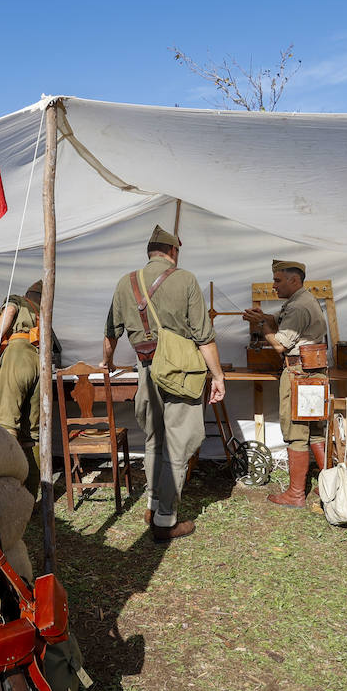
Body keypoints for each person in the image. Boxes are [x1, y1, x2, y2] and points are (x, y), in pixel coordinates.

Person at [102, 225, 225, 543]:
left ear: (150, 252)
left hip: (146, 370)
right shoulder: (185, 280)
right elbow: (204, 337)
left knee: (154, 440)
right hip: (179, 372)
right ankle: (165, 520)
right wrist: (218, 376)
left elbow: (110, 334)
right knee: (177, 444)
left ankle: (153, 505)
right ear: (173, 251)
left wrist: (108, 363)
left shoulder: (126, 282)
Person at [242, 259, 328, 508]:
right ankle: (328, 485)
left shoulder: (298, 306)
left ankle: (295, 494)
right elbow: (284, 322)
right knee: (315, 432)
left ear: (294, 280)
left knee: (296, 433)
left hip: (299, 374)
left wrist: (262, 325)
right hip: (313, 372)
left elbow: (280, 344)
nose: (274, 285)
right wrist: (265, 317)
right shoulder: (303, 300)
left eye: (278, 280)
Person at [0, 280, 58, 498]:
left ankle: (8, 494)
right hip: (40, 363)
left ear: (28, 294)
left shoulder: (18, 301)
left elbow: (9, 311)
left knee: (7, 425)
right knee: (32, 434)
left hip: (17, 357)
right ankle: (31, 497)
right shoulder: (44, 315)